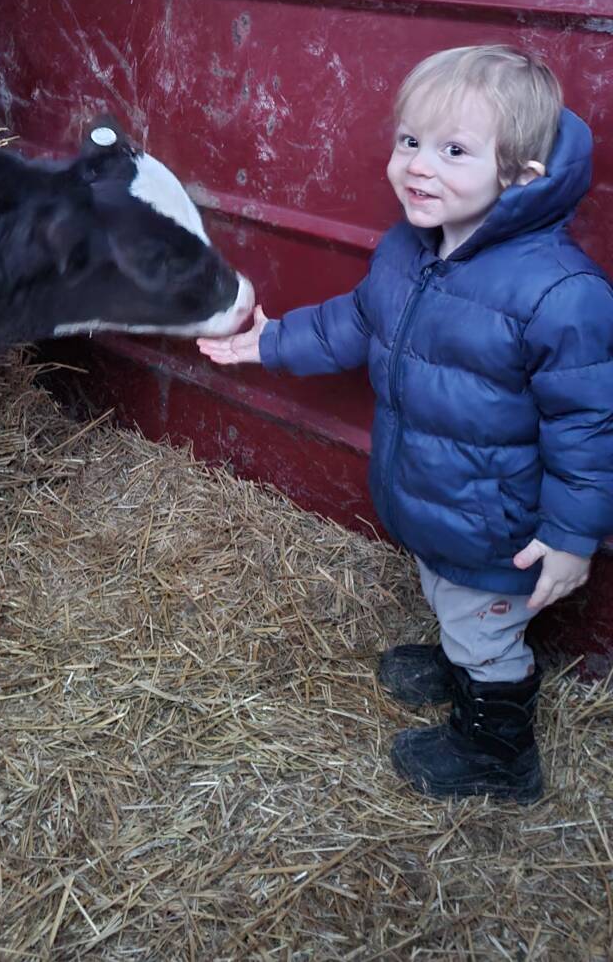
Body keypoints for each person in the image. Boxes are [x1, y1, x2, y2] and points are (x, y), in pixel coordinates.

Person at [198, 45, 613, 802]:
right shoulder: (408, 249)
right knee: (451, 597)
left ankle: (497, 753)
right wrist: (270, 341)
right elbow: (356, 321)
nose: (418, 165)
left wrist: (570, 537)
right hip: (436, 500)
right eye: (411, 140)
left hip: (499, 527)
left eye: (454, 151)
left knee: (485, 630)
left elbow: (588, 427)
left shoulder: (561, 294)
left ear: (521, 176)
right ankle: (460, 662)